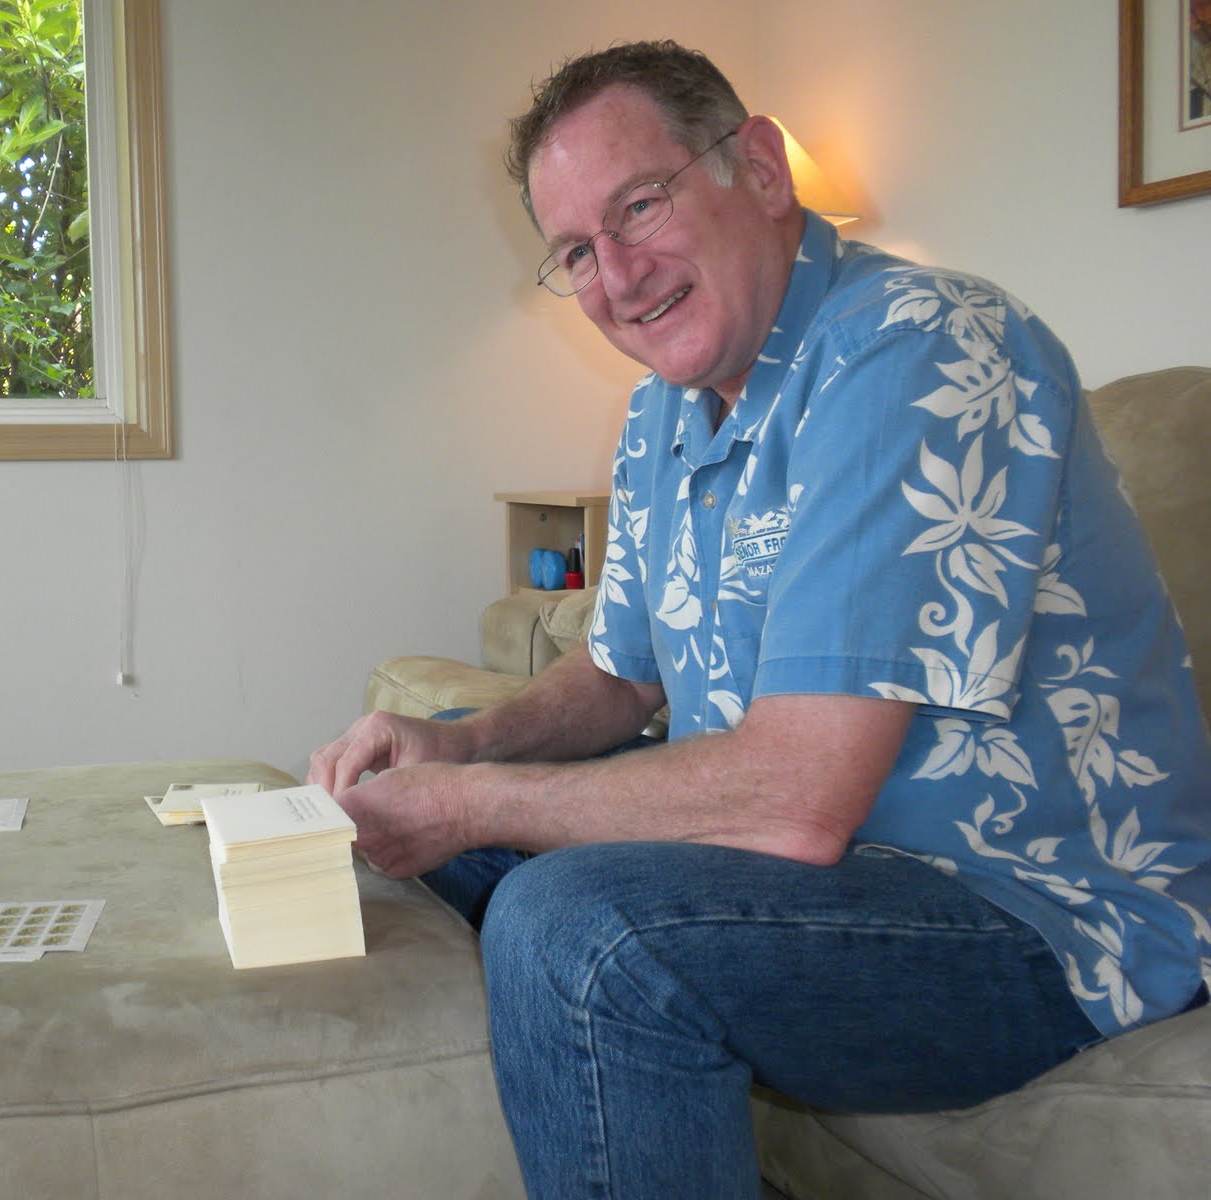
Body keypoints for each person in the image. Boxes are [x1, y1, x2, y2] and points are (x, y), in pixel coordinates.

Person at [308, 40, 1211, 1199]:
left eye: (638, 206)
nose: (616, 275)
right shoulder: (661, 414)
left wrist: (474, 799)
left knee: (577, 925)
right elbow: (620, 676)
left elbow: (796, 798)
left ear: (763, 169)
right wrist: (460, 747)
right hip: (837, 876)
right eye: (576, 250)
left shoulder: (919, 344)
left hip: (1038, 916)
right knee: (451, 825)